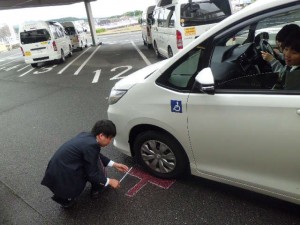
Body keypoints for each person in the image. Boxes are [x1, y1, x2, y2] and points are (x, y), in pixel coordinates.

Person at [41, 119, 129, 208]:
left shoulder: (86, 136)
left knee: (93, 163)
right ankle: (94, 189)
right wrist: (109, 181)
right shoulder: (91, 146)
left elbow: (95, 155)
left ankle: (64, 198)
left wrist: (114, 164)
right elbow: (93, 173)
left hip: (55, 171)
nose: (110, 142)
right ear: (101, 135)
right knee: (97, 169)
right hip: (65, 177)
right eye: (109, 138)